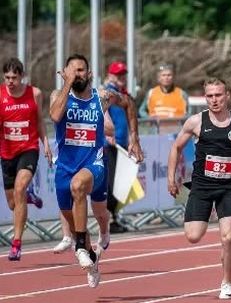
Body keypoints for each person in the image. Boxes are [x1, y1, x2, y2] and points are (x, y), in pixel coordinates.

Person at [167, 77, 231, 299]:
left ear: (227, 95)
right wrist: (170, 178)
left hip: (228, 188)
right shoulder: (195, 122)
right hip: (201, 187)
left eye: (218, 95)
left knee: (228, 238)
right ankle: (206, 211)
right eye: (209, 96)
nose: (214, 100)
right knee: (193, 236)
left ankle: (226, 282)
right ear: (205, 98)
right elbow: (176, 148)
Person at [51, 54, 143, 287]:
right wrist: (68, 84)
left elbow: (129, 103)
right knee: (73, 220)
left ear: (89, 73)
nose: (77, 75)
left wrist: (135, 138)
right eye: (72, 71)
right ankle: (91, 258)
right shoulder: (58, 95)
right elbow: (54, 115)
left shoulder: (102, 97)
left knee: (78, 186)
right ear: (64, 73)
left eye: (81, 70)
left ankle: (81, 245)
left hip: (94, 164)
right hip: (65, 167)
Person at [0, 57, 52, 261]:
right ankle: (28, 197)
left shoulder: (35, 93)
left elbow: (39, 120)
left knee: (20, 188)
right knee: (14, 204)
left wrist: (46, 143)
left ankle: (16, 243)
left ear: (22, 76)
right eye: (7, 77)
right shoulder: (1, 95)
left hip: (28, 149)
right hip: (6, 153)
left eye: (14, 77)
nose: (10, 81)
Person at [103, 61, 134, 234]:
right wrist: (107, 136)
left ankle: (114, 219)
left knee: (120, 185)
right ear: (110, 75)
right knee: (111, 183)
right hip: (109, 145)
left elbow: (129, 119)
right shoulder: (107, 93)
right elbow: (101, 116)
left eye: (123, 74)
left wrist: (132, 139)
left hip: (122, 145)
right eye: (117, 74)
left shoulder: (124, 94)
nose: (121, 77)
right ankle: (107, 219)